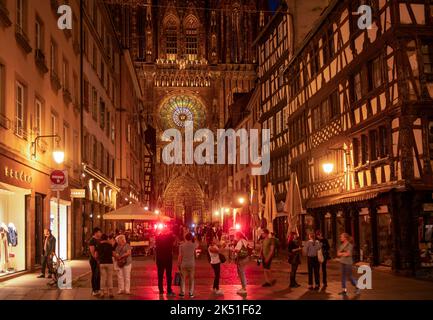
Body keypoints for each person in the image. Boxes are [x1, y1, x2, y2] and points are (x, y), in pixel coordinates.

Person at [155, 227, 176, 297]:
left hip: (159, 258)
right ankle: (169, 289)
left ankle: (160, 289)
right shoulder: (170, 237)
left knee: (160, 274)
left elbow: (156, 236)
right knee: (168, 275)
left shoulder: (158, 237)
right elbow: (173, 238)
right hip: (168, 258)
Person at [178, 232, 198, 298]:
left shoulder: (181, 246)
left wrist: (179, 264)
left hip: (183, 264)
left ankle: (182, 293)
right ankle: (191, 293)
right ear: (191, 238)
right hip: (191, 264)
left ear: (185, 238)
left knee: (183, 279)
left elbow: (180, 256)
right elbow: (196, 254)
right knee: (191, 279)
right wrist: (195, 238)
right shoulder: (194, 245)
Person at [97, 234, 115, 298]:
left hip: (102, 263)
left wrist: (99, 259)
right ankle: (110, 292)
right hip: (109, 263)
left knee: (103, 278)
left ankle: (102, 292)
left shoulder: (98, 245)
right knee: (109, 278)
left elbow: (96, 255)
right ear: (107, 238)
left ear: (101, 239)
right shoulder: (110, 245)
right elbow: (113, 254)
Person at [89, 227, 102, 296]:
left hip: (99, 260)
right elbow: (92, 253)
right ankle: (94, 290)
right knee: (95, 274)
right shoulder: (92, 241)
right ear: (96, 232)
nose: (101, 233)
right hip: (94, 260)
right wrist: (97, 260)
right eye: (100, 232)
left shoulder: (99, 240)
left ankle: (98, 289)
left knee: (99, 275)